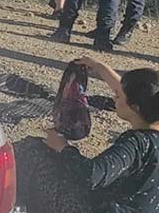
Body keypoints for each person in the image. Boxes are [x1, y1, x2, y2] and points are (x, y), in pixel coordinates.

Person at [45, 57, 159, 212]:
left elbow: (92, 175)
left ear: (135, 107)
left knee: (36, 154)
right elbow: (137, 92)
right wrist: (98, 66)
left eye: (117, 96)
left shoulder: (137, 143)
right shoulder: (150, 109)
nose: (114, 97)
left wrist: (62, 147)